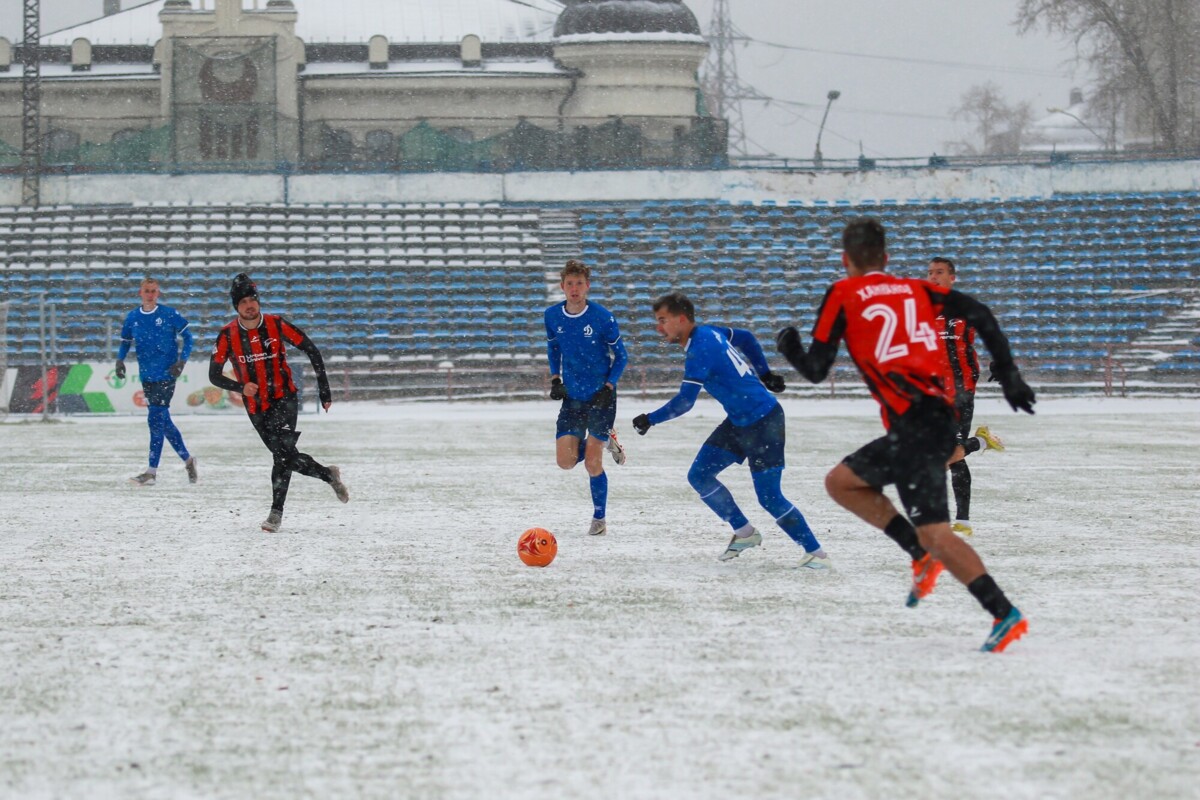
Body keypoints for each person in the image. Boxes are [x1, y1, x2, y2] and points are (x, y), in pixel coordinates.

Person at [775, 218, 1036, 652]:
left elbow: (816, 370)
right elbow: (980, 314)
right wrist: (1008, 372)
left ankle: (979, 595)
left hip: (916, 426)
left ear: (845, 260)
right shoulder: (916, 290)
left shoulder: (843, 293)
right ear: (887, 259)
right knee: (903, 514)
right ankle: (992, 605)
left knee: (849, 487)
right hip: (935, 419)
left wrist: (789, 347)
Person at [632, 292, 830, 568]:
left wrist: (650, 419)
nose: (658, 327)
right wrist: (764, 373)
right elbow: (746, 337)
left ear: (681, 319)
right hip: (739, 422)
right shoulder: (709, 332)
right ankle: (744, 532)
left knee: (770, 497)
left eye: (662, 320)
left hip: (764, 423)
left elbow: (685, 402)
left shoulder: (700, 348)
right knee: (699, 475)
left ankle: (816, 554)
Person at [208, 273, 349, 533]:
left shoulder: (275, 324)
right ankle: (328, 474)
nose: (249, 305)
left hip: (285, 398)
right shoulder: (227, 335)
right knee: (284, 455)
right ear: (236, 307)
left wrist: (324, 388)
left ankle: (275, 513)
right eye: (243, 302)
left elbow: (311, 349)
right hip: (255, 406)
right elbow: (214, 375)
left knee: (281, 456)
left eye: (253, 300)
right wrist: (240, 387)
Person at [544, 259, 629, 536]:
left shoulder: (603, 317)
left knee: (592, 462)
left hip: (601, 397)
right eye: (570, 284)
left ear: (588, 286)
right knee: (565, 462)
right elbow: (554, 349)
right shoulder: (552, 316)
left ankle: (599, 519)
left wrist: (609, 385)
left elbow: (623, 356)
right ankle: (604, 441)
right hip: (573, 397)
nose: (575, 288)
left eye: (580, 283)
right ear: (562, 286)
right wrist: (555, 378)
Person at [927, 256, 1006, 537]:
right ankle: (962, 521)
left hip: (961, 389)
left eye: (939, 272)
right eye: (930, 272)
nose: (933, 277)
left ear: (952, 277)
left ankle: (961, 520)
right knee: (945, 455)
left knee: (951, 454)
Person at [117, 276, 197, 486]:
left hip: (166, 375)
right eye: (147, 291)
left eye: (154, 291)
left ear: (158, 293)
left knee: (154, 419)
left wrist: (182, 362)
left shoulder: (169, 314)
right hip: (147, 375)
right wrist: (119, 360)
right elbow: (125, 341)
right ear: (140, 293)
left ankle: (151, 472)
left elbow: (189, 337)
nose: (150, 294)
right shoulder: (133, 317)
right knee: (163, 422)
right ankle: (188, 460)